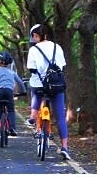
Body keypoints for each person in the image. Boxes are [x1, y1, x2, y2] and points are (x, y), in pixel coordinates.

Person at [26, 23, 71, 160]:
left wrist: (40, 74)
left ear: (35, 35)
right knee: (60, 118)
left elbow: (31, 68)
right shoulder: (57, 47)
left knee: (37, 92)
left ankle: (33, 117)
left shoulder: (33, 50)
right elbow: (62, 67)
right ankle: (65, 148)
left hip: (39, 85)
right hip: (56, 86)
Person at [0, 50, 26, 136]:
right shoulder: (12, 72)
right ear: (9, 63)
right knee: (11, 110)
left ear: (0, 61)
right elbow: (20, 82)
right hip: (9, 91)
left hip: (0, 91)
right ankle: (12, 128)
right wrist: (23, 91)